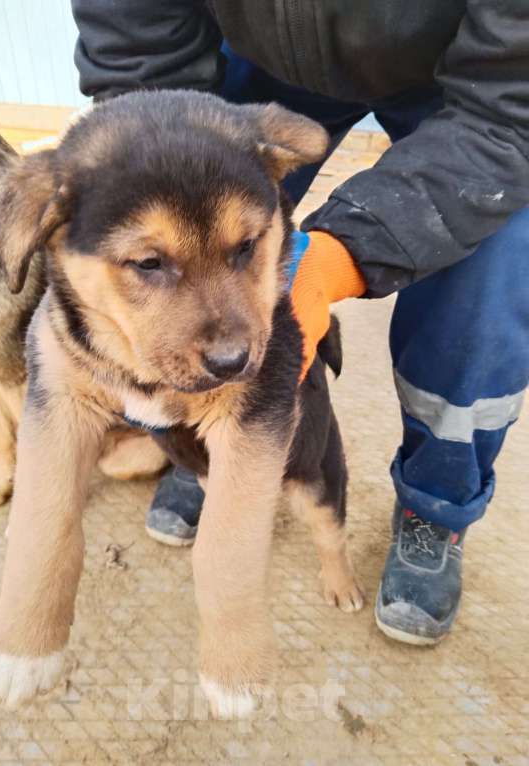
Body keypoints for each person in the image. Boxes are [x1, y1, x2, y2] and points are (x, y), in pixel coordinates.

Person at [71, 1, 529, 646]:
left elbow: (511, 114)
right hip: (267, 61)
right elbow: (140, 58)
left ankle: (437, 504)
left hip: (474, 85)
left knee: (492, 287)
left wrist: (339, 258)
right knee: (178, 265)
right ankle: (203, 450)